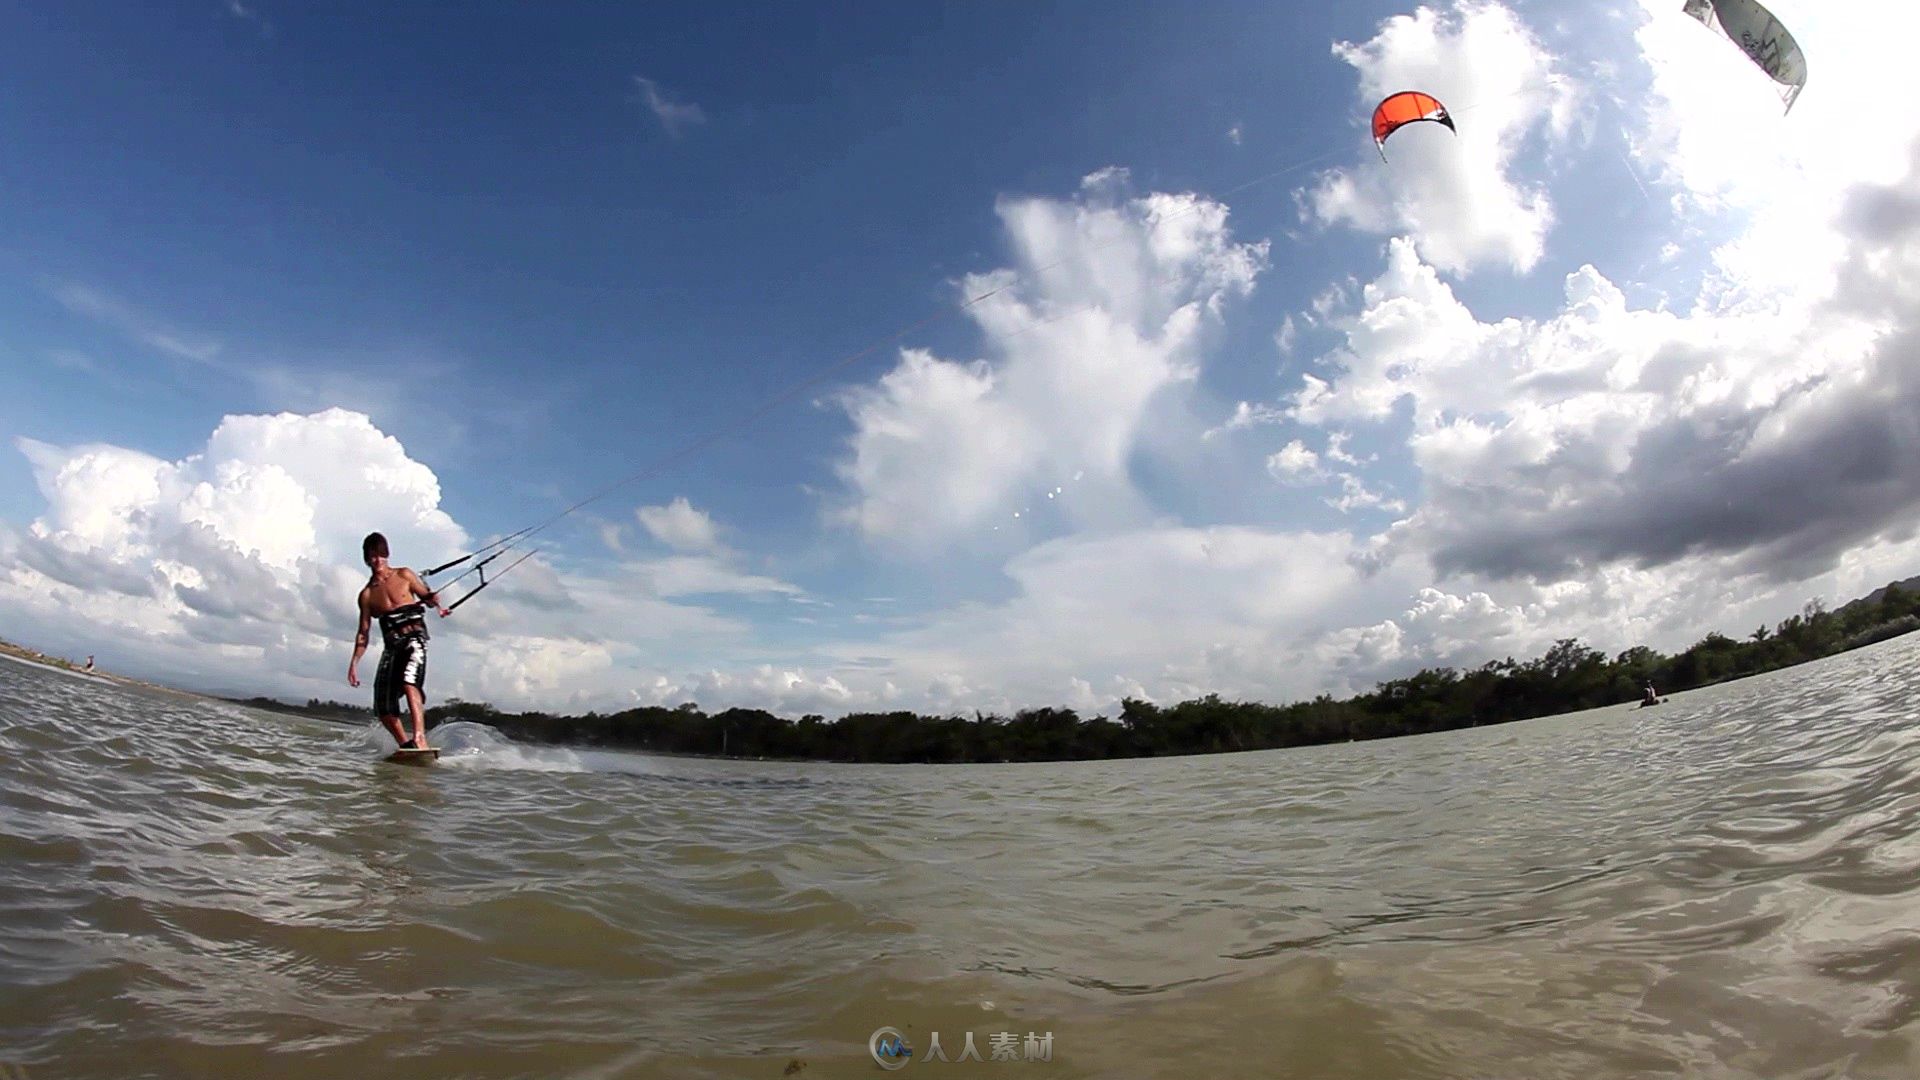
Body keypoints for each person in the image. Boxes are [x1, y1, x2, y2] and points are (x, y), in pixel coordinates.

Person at [348, 532, 450, 750]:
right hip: (392, 646)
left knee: (408, 679)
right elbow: (363, 633)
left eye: (382, 555)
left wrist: (435, 602)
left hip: (415, 638)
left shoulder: (404, 575)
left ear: (388, 555)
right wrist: (354, 664)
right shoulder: (366, 595)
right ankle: (406, 745)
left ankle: (420, 738)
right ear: (366, 559)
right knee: (383, 707)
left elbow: (427, 598)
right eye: (373, 556)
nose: (378, 561)